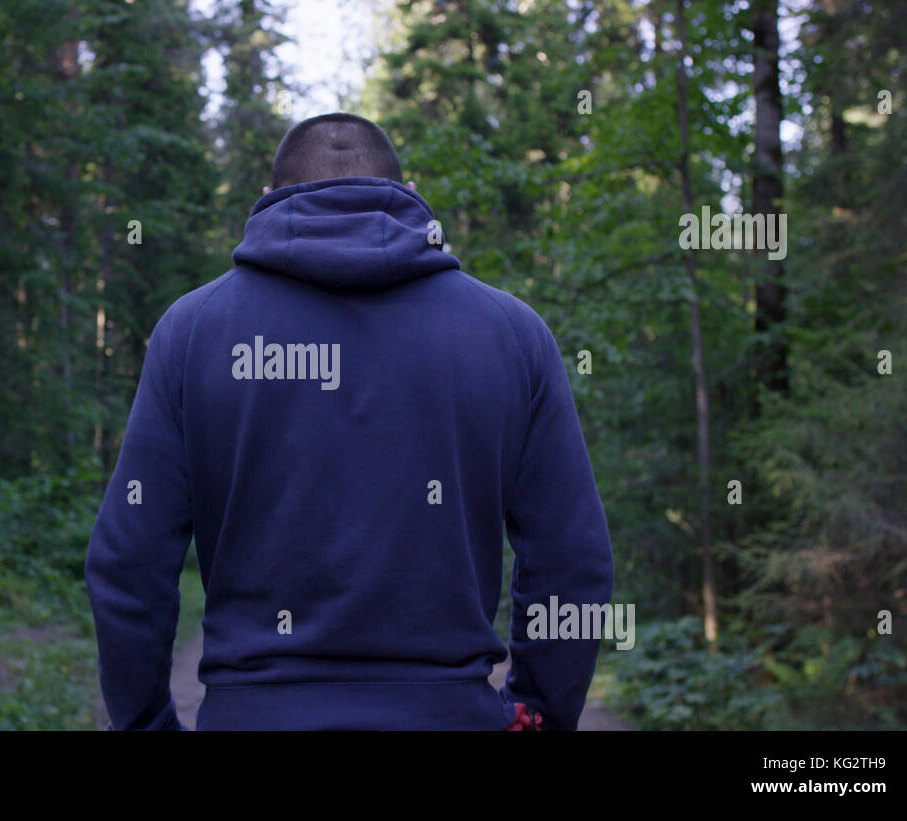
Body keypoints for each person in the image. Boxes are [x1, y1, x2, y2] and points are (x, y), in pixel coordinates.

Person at [85, 112, 614, 730]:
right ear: (411, 200)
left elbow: (128, 564)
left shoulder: (193, 330)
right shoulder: (512, 333)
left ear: (266, 202)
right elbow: (572, 559)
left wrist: (148, 725)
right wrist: (537, 715)